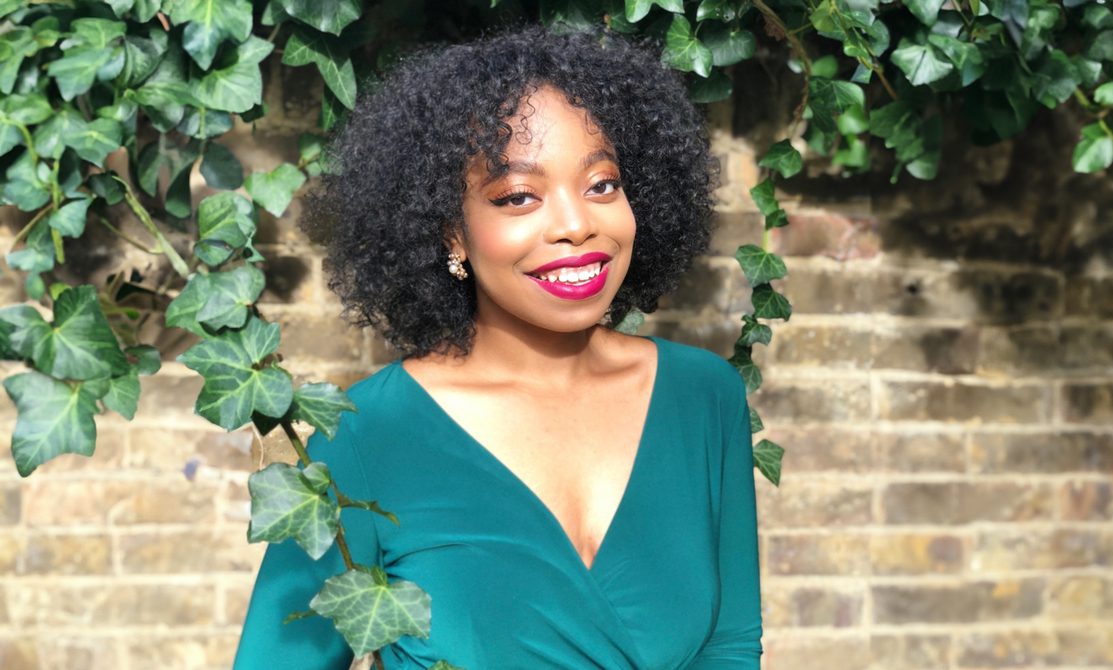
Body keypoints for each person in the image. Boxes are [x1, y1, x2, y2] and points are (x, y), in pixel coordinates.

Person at [234, 25, 762, 670]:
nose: (577, 224)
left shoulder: (703, 397)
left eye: (601, 184)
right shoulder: (366, 436)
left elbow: (730, 647)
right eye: (518, 196)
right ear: (451, 231)